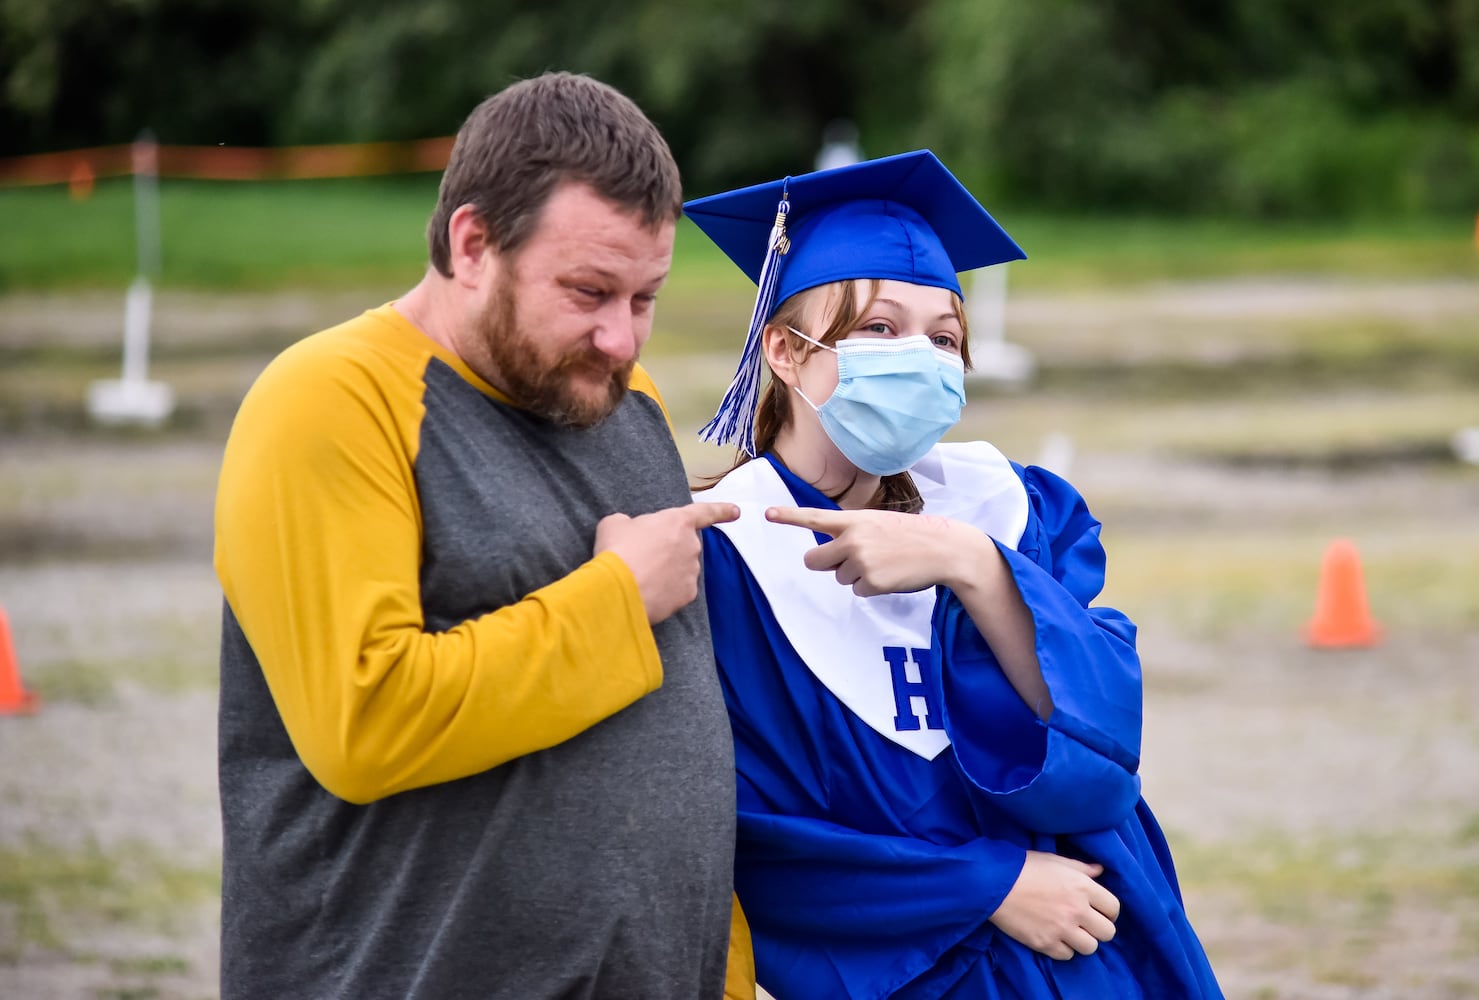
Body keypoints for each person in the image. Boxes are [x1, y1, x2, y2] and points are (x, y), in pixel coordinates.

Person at [213, 71, 755, 1000]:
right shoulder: (331, 402)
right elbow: (367, 722)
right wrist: (617, 600)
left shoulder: (624, 399)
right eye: (589, 291)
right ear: (473, 244)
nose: (622, 339)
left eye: (645, 297)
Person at [685, 150, 1224, 999]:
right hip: (919, 971)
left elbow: (1103, 749)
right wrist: (986, 887)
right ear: (785, 353)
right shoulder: (718, 558)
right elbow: (741, 837)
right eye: (878, 330)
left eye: (943, 338)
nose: (921, 357)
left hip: (1096, 949)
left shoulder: (1010, 510)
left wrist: (970, 565)